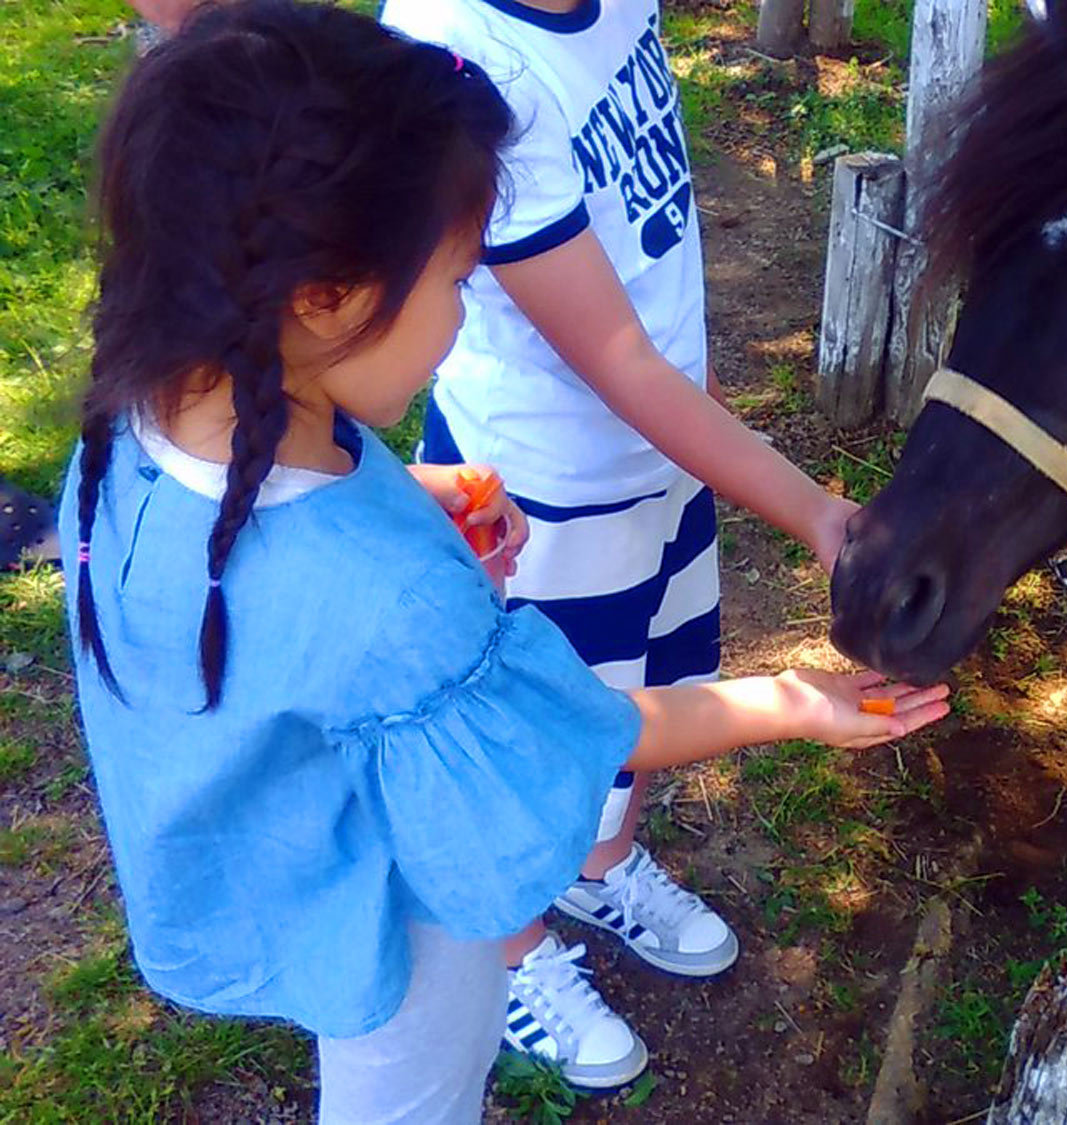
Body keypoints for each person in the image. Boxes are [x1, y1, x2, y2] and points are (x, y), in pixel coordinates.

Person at [60, 6, 946, 1122]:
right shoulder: (393, 604)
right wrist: (797, 704)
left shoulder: (141, 419)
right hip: (403, 934)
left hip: (285, 853)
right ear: (322, 298)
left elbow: (269, 562)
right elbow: (586, 728)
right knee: (417, 1095)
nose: (462, 317)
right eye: (455, 281)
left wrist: (406, 498)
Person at [376, 0, 864, 1086]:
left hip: (660, 445)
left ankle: (594, 868)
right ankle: (509, 949)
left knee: (651, 675)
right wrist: (815, 512)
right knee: (535, 739)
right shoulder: (467, 53)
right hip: (537, 484)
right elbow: (610, 354)